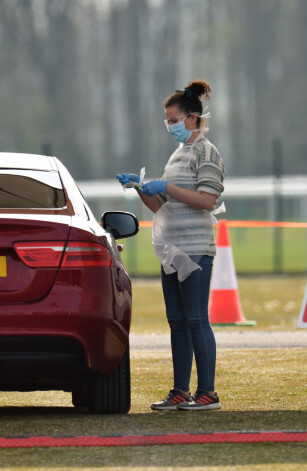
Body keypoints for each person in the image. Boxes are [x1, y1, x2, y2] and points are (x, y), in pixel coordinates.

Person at [117, 80, 225, 411]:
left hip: (195, 249)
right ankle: (180, 390)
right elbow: (163, 206)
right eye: (167, 120)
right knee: (176, 321)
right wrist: (141, 189)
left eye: (174, 119)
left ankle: (207, 392)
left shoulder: (207, 153)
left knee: (196, 319)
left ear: (193, 117)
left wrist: (167, 187)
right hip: (172, 250)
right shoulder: (177, 154)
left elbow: (207, 199)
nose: (170, 126)